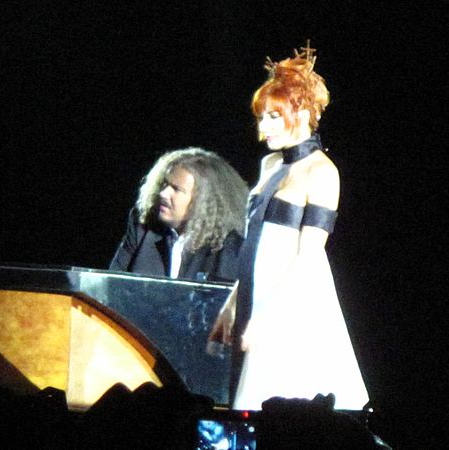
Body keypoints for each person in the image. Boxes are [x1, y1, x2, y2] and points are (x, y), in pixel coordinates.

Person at [208, 42, 370, 410]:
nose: (263, 130)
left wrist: (267, 315)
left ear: (299, 111)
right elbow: (254, 244)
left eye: (273, 117)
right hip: (255, 291)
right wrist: (233, 302)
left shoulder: (322, 172)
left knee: (281, 399)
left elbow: (309, 255)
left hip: (290, 300)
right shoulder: (269, 167)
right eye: (261, 118)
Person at [109, 147, 248, 282]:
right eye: (164, 184)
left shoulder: (229, 245)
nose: (163, 194)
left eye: (176, 189)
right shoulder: (142, 225)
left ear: (204, 201)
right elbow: (112, 286)